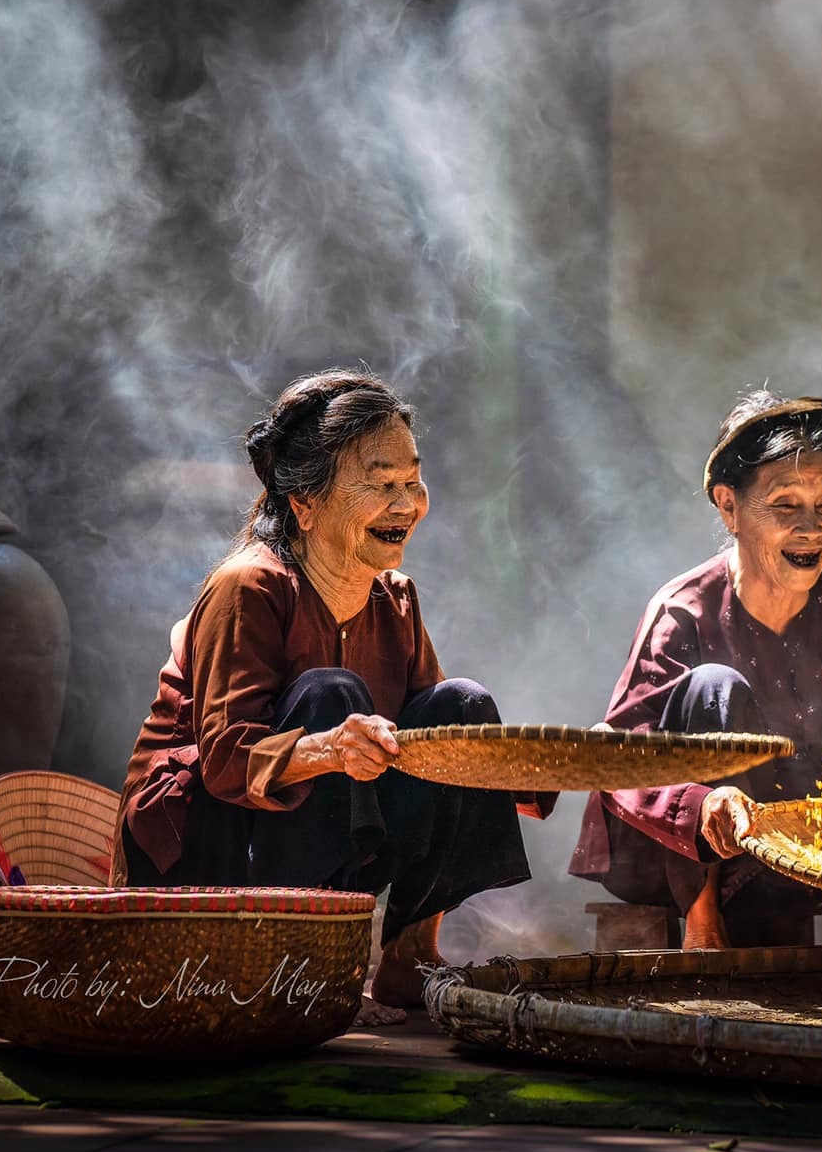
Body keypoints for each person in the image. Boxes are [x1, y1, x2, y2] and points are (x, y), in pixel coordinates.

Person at [112, 369, 553, 1022]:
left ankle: (406, 957)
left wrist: (515, 762)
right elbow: (229, 760)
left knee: (462, 708)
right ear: (306, 503)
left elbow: (426, 748)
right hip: (206, 841)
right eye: (381, 485)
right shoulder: (249, 588)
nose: (407, 503)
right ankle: (304, 969)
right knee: (332, 696)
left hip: (308, 832)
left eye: (412, 482)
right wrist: (326, 748)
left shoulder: (395, 598)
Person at [568, 389, 822, 949]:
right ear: (729, 506)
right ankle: (703, 923)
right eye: (785, 505)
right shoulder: (683, 610)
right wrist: (703, 802)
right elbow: (615, 758)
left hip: (786, 849)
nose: (811, 528)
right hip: (661, 850)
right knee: (716, 687)